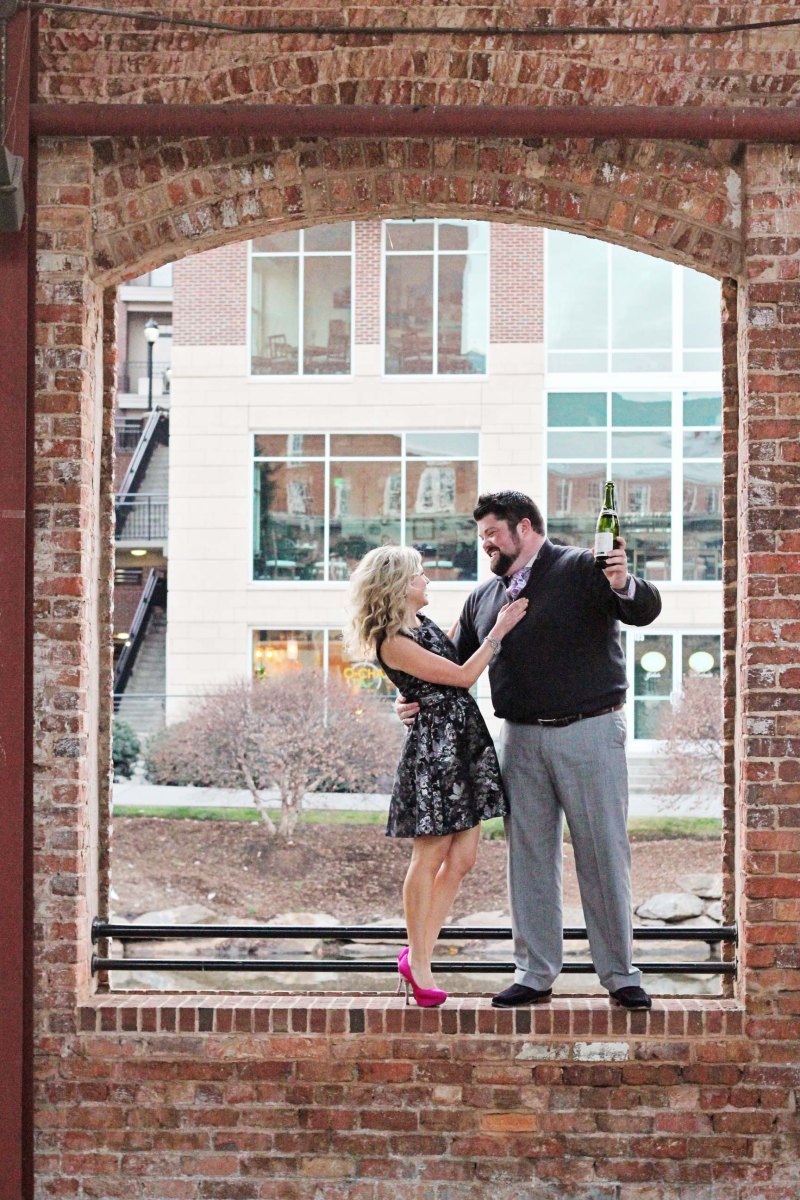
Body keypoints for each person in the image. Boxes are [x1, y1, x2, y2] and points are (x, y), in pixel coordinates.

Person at [396, 491, 662, 1011]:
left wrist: (622, 581)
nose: (486, 544)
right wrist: (408, 699)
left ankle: (619, 975)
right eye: (482, 536)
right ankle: (535, 973)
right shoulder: (482, 598)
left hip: (591, 732)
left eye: (492, 533)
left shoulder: (583, 567)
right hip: (518, 740)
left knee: (603, 855)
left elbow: (643, 610)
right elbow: (450, 667)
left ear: (524, 527)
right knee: (530, 859)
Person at [345, 543, 528, 1008]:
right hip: (437, 751)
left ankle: (417, 955)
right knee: (428, 856)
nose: (427, 579)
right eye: (420, 573)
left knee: (462, 858)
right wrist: (499, 631)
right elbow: (462, 676)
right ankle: (421, 962)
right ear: (399, 584)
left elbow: (444, 663)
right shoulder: (392, 639)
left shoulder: (420, 625)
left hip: (461, 742)